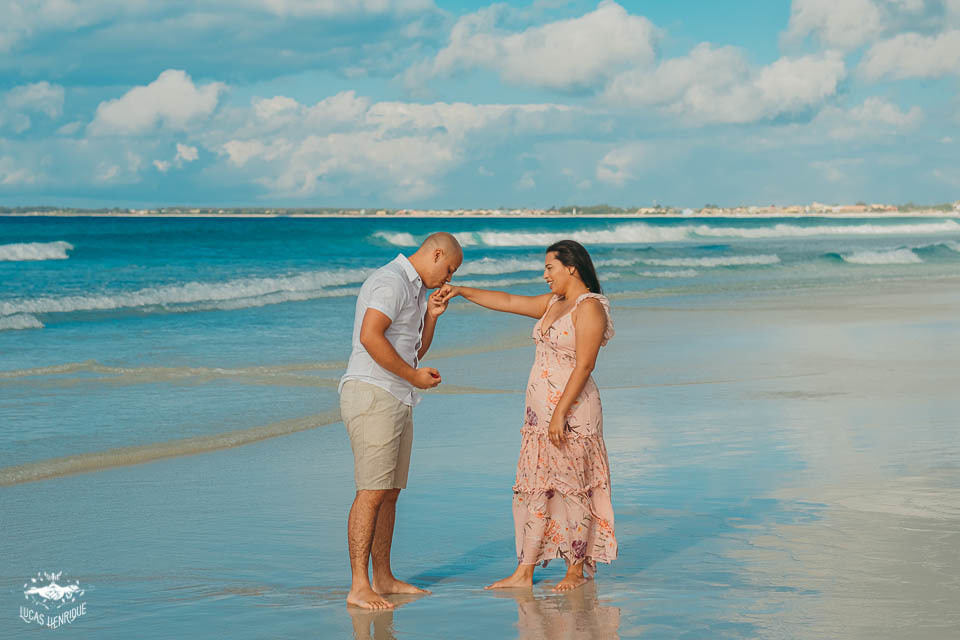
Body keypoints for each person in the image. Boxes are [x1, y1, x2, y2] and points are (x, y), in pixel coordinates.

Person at [438, 239, 617, 592]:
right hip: (539, 418)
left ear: (571, 267)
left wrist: (559, 414)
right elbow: (506, 301)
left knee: (572, 490)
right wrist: (460, 290)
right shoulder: (553, 304)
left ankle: (574, 570)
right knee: (536, 490)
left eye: (550, 267)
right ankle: (524, 572)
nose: (544, 275)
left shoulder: (590, 307)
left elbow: (585, 365)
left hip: (573, 414)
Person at [339, 232, 463, 610]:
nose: (449, 278)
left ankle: (385, 578)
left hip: (396, 396)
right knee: (371, 491)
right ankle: (360, 585)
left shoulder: (415, 292)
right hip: (372, 393)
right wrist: (413, 377)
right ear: (436, 253)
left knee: (390, 493)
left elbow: (413, 351)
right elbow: (370, 337)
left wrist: (431, 318)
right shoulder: (390, 281)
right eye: (449, 269)